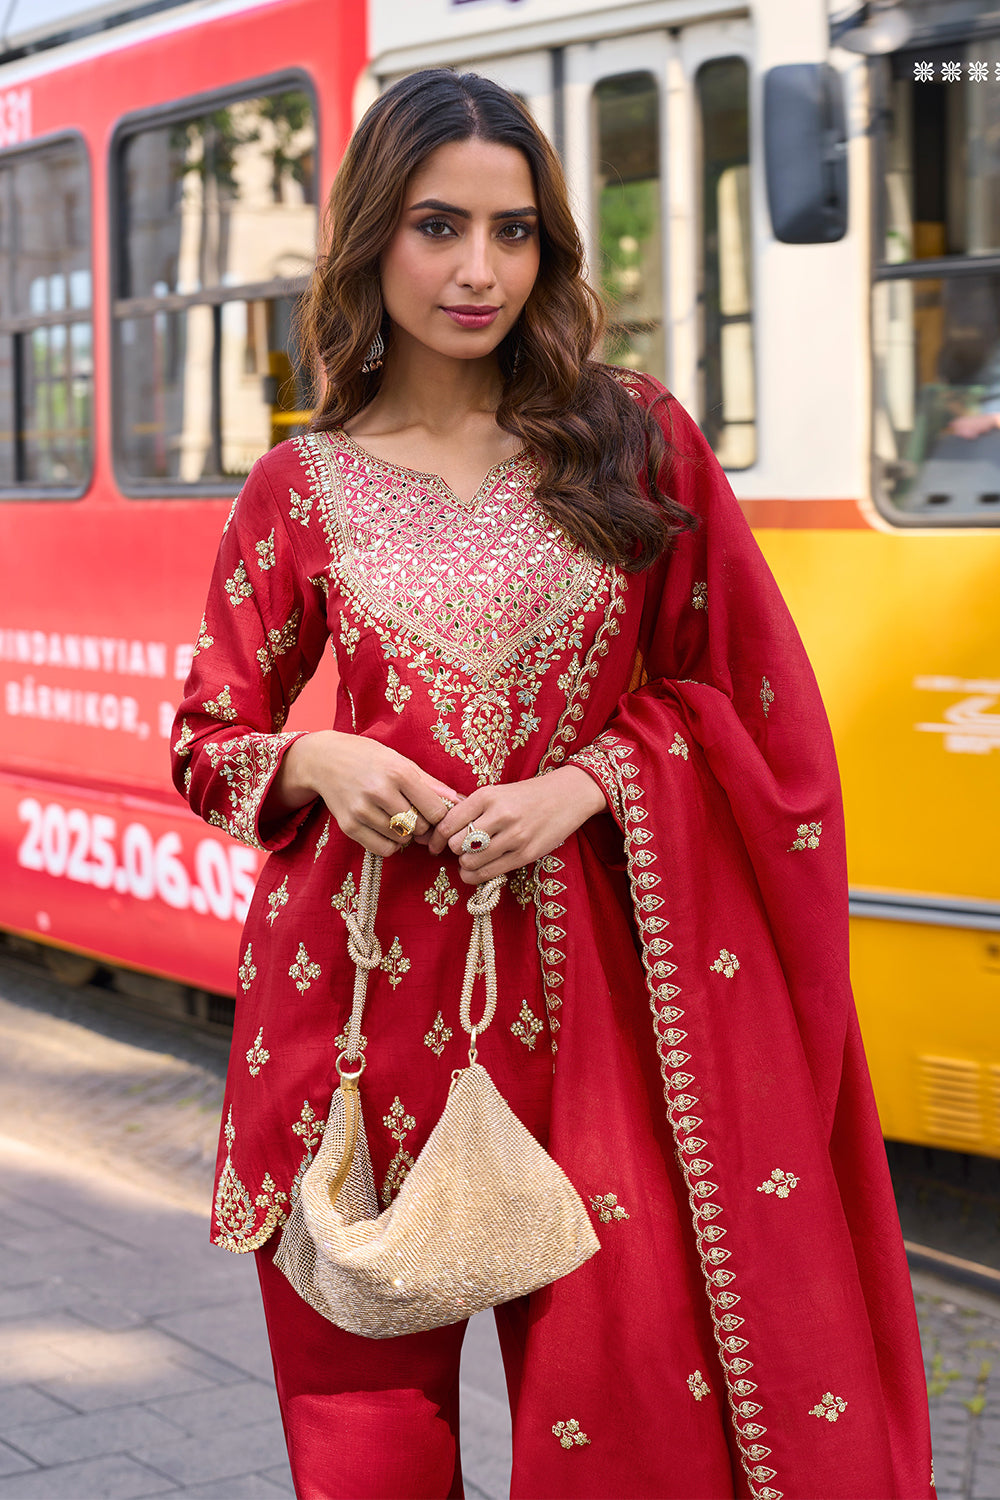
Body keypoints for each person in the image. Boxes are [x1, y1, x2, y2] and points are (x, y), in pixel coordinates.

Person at [171, 69, 934, 1500]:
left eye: (514, 232)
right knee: (367, 1460)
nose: (478, 270)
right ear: (368, 242)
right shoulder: (302, 487)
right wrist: (312, 758)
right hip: (354, 1027)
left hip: (603, 1026)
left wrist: (594, 779)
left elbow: (758, 716)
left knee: (639, 1443)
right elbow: (206, 739)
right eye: (437, 226)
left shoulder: (634, 440)